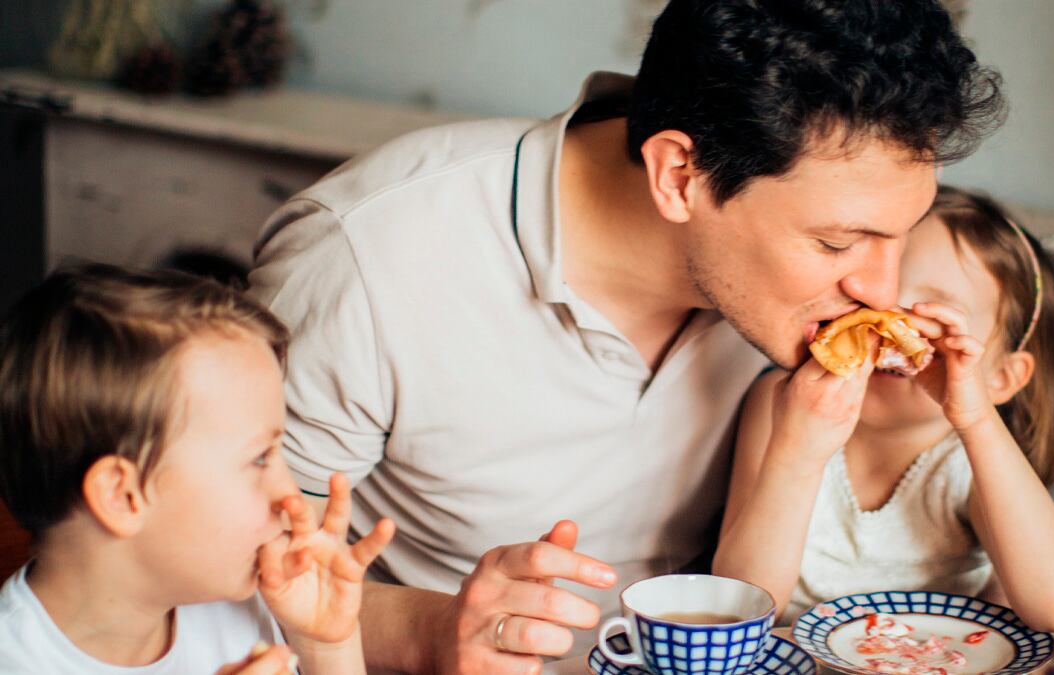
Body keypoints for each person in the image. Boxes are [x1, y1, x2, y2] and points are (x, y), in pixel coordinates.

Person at [247, 1, 1006, 670]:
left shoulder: (799, 295)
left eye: (901, 235)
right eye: (838, 244)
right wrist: (437, 628)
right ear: (679, 175)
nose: (880, 288)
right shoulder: (365, 257)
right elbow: (239, 570)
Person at [712, 186, 1054, 632]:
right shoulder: (784, 404)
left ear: (1000, 378)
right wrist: (797, 454)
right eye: (877, 302)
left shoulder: (971, 459)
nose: (889, 328)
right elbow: (739, 609)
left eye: (932, 317)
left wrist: (977, 418)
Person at [0, 264, 395, 674]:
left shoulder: (238, 603)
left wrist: (325, 647)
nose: (291, 496)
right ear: (122, 495)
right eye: (259, 458)